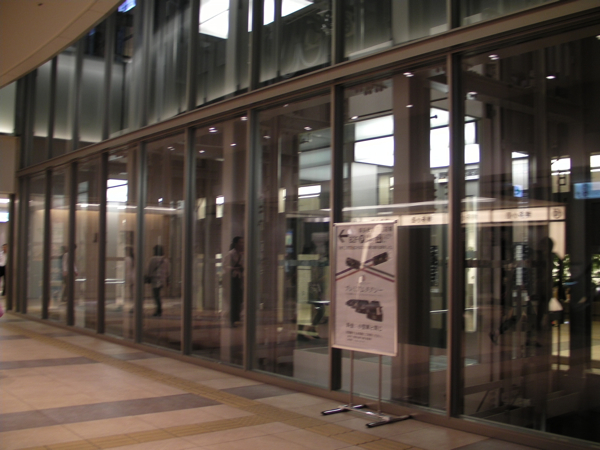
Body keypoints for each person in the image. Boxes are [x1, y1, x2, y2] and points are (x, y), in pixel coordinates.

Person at [225, 237, 244, 327]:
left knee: (240, 299)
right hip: (232, 279)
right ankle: (232, 318)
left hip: (239, 278)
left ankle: (235, 317)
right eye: (241, 242)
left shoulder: (242, 254)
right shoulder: (230, 254)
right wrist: (234, 268)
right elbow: (225, 266)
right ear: (236, 244)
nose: (242, 244)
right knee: (234, 299)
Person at [146, 244, 170, 317]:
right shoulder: (165, 260)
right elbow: (167, 271)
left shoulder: (153, 259)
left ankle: (158, 309)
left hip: (155, 279)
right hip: (162, 279)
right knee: (158, 295)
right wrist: (167, 280)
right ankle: (159, 308)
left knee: (156, 295)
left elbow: (149, 269)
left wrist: (148, 276)